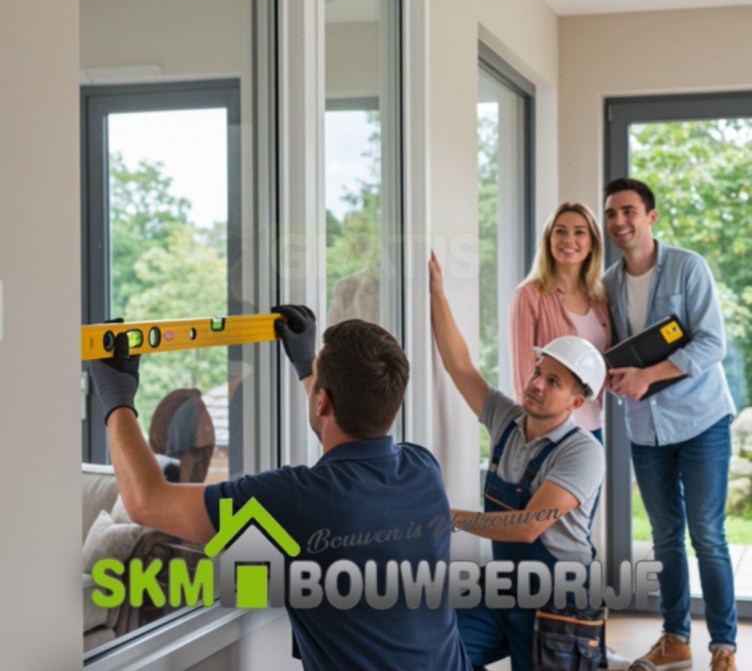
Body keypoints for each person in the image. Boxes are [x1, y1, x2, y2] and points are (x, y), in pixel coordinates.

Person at [89, 306, 473, 671]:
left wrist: (116, 398)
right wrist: (308, 366)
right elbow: (344, 417)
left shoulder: (296, 499)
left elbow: (146, 502)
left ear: (321, 401)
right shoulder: (422, 469)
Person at [430, 252, 606, 671]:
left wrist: (448, 517)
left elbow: (529, 526)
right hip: (504, 586)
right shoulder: (506, 419)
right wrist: (436, 291)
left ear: (575, 403)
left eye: (553, 382)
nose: (536, 384)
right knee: (440, 651)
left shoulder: (582, 451)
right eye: (537, 372)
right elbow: (459, 365)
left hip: (558, 599)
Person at [603, 177, 737, 671]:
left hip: (702, 420)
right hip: (646, 428)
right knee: (664, 536)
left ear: (651, 217)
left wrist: (647, 375)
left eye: (629, 211)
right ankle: (675, 638)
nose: (620, 221)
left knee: (707, 533)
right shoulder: (608, 284)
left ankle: (723, 645)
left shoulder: (687, 267)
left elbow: (713, 343)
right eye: (612, 213)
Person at [510, 202, 612, 439]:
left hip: (593, 427)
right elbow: (523, 376)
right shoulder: (528, 296)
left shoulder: (599, 298)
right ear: (549, 240)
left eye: (579, 232)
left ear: (592, 244)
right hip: (551, 431)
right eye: (560, 231)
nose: (569, 240)